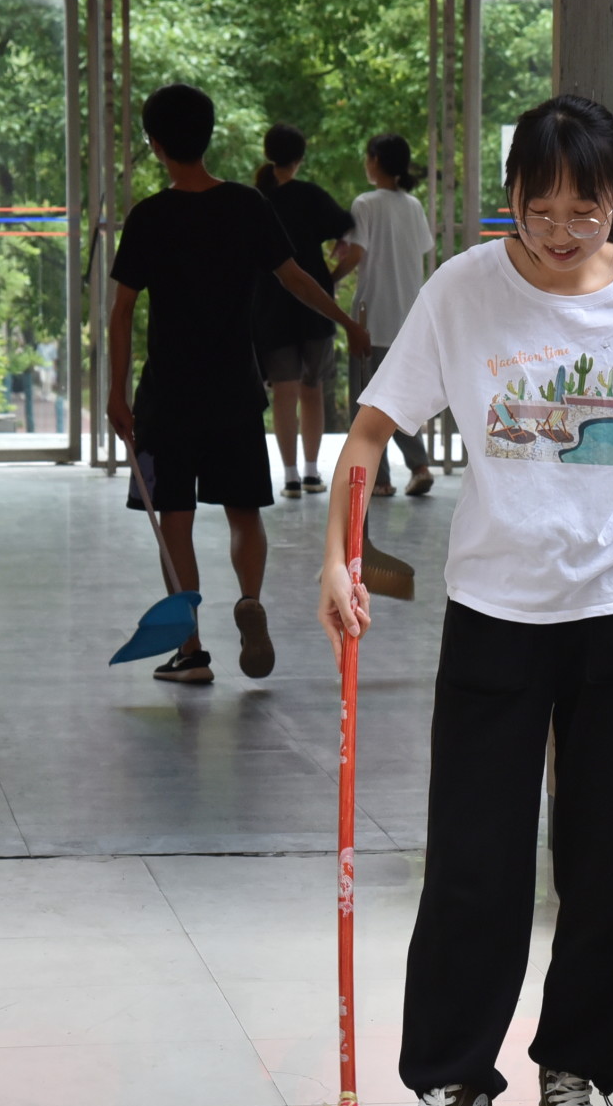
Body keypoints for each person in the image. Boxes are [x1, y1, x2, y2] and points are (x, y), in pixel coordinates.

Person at [318, 96, 613, 1106]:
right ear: (509, 198)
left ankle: (578, 1081)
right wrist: (337, 557)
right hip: (495, 610)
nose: (558, 231)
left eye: (583, 211)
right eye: (537, 209)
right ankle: (454, 1091)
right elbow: (368, 434)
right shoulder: (464, 290)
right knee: (476, 857)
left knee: (611, 863)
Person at [108, 84, 370, 685]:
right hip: (235, 387)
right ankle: (249, 597)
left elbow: (122, 311)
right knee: (243, 511)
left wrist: (116, 394)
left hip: (168, 393)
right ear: (207, 136)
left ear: (156, 144)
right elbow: (295, 277)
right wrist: (346, 319)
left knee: (174, 517)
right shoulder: (247, 205)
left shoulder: (149, 216)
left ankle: (191, 649)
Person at [252, 124, 363, 498]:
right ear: (300, 157)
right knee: (312, 388)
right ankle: (312, 473)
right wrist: (340, 245)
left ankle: (290, 477)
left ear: (269, 154)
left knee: (284, 392)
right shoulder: (309, 195)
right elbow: (345, 224)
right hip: (314, 302)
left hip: (270, 303)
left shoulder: (259, 198)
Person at [334, 133, 437, 497]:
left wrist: (328, 279)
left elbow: (356, 253)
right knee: (401, 398)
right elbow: (422, 249)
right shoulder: (413, 205)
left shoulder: (365, 203)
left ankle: (379, 480)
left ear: (375, 160)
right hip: (408, 318)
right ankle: (419, 466)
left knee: (369, 402)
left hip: (371, 316)